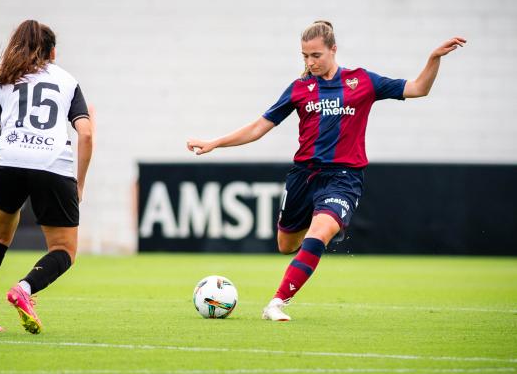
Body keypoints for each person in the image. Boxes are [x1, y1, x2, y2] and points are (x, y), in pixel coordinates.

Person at [187, 20, 465, 321]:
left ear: (333, 50)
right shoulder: (299, 89)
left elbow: (419, 88)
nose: (310, 62)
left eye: (316, 55)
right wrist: (215, 142)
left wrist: (433, 59)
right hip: (304, 177)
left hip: (344, 178)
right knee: (286, 245)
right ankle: (319, 227)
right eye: (305, 56)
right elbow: (258, 128)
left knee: (320, 232)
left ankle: (277, 302)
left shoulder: (362, 82)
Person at [0, 20, 93, 333]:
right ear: (53, 52)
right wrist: (79, 183)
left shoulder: (2, 80)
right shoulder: (67, 80)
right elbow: (85, 134)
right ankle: (24, 289)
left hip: (8, 163)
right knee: (64, 250)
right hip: (51, 165)